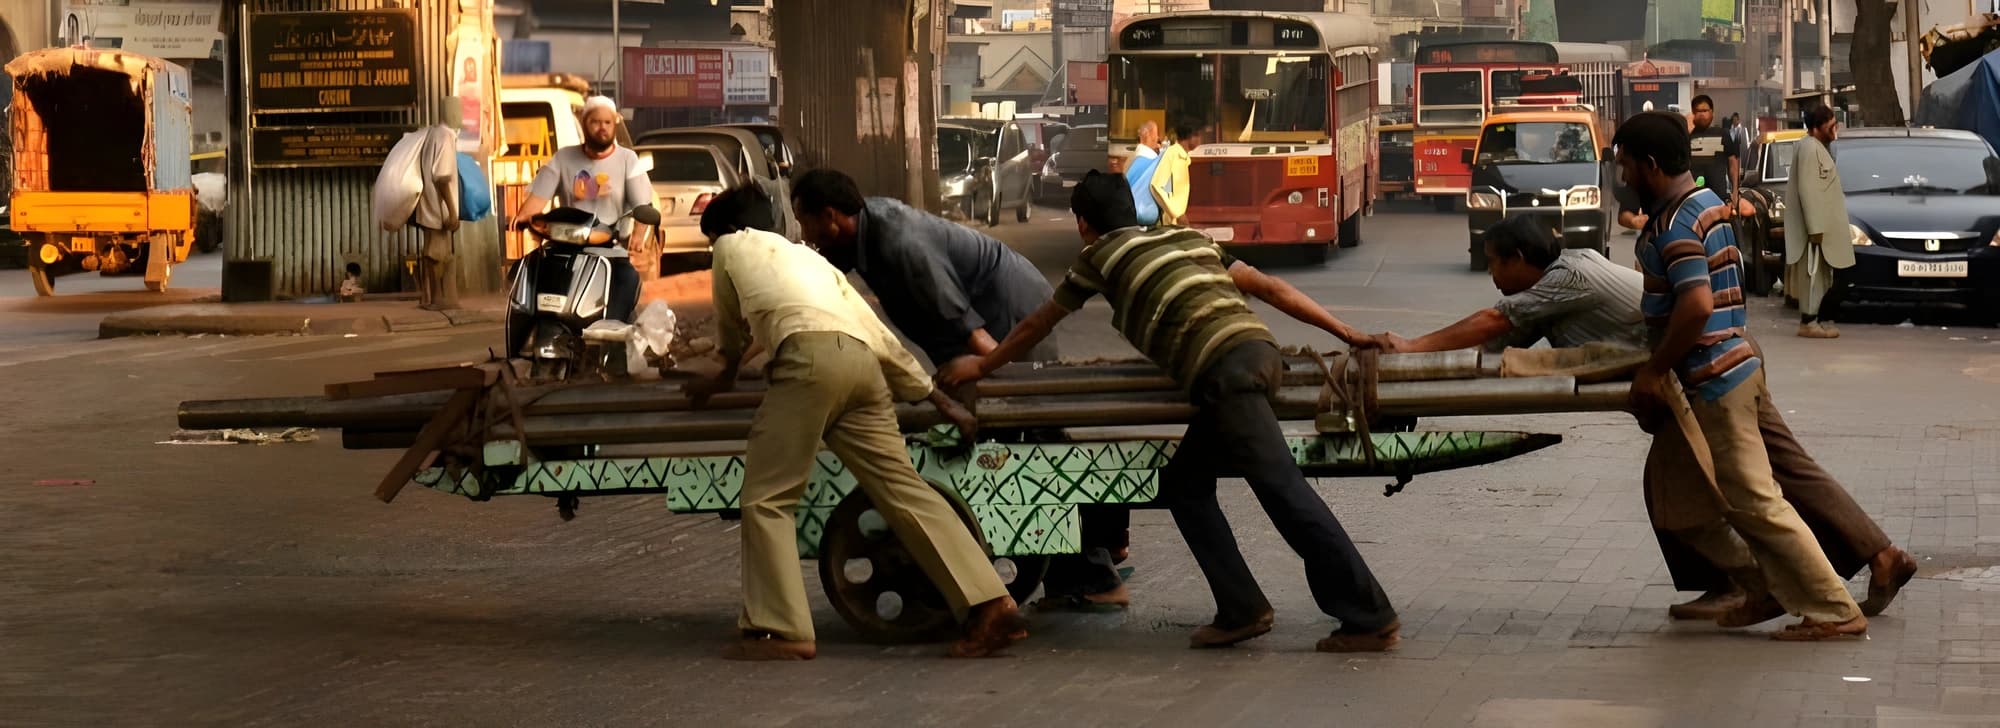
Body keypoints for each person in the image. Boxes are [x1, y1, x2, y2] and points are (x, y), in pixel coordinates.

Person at [940, 172, 1400, 653]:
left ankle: (1368, 615)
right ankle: (1241, 608)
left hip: (1226, 375)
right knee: (1184, 485)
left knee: (1284, 490)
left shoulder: (1098, 256)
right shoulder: (1186, 238)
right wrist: (1347, 333)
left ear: (1082, 224)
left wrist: (983, 364)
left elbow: (1038, 323)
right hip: (1257, 356)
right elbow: (1270, 288)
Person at [1376, 215, 1917, 620]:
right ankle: (1879, 553)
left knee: (1692, 497)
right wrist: (1414, 386)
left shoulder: (1568, 279)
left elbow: (1492, 322)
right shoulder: (1559, 282)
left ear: (1520, 257)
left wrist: (1410, 348)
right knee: (1787, 468)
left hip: (1704, 374)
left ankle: (1764, 585)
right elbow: (1497, 348)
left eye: (1496, 261)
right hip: (1729, 357)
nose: (1492, 273)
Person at [687, 183, 1029, 661]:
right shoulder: (809, 260)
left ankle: (780, 630)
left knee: (767, 499)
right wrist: (935, 398)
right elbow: (877, 334)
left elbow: (729, 337)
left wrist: (714, 379)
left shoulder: (728, 246)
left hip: (808, 365)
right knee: (903, 489)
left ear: (721, 230)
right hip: (864, 371)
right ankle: (989, 602)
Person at [790, 168, 1132, 608]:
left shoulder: (898, 244)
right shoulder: (870, 233)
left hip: (1007, 319)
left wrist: (992, 374)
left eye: (805, 221)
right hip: (994, 318)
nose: (806, 235)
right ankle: (1102, 540)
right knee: (1027, 437)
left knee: (1023, 438)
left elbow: (971, 329)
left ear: (832, 216)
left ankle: (1093, 573)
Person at [1615, 111, 1866, 640]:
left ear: (1650, 166)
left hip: (1716, 381)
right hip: (1732, 367)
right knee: (1674, 497)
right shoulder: (1708, 203)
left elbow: (1696, 306)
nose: (1621, 175)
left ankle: (1833, 608)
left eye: (1625, 164)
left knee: (1755, 500)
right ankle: (1760, 586)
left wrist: (1654, 368)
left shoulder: (1676, 224)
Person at [511, 96, 646, 325]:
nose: (601, 128)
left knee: (627, 280)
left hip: (610, 250)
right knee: (526, 275)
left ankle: (613, 341)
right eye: (595, 122)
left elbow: (642, 205)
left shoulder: (627, 159)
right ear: (584, 124)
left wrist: (638, 236)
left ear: (614, 125)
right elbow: (538, 198)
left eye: (607, 122)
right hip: (566, 246)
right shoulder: (563, 158)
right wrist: (524, 217)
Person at [1785, 104, 1852, 339]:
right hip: (1815, 231)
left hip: (1823, 229)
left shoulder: (1819, 147)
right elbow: (1808, 190)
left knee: (1821, 277)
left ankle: (1816, 319)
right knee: (1812, 276)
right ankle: (1809, 321)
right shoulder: (1809, 148)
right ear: (1816, 128)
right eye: (1830, 125)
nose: (1835, 129)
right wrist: (1815, 228)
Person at [1686, 95, 1742, 216]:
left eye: (1705, 111)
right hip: (1693, 199)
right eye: (1698, 111)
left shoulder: (1723, 134)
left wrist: (1735, 192)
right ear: (1693, 113)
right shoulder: (1686, 137)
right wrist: (1686, 130)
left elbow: (1733, 164)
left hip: (1718, 198)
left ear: (1712, 113)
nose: (1701, 114)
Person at [1150, 123, 1197, 227]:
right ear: (1189, 137)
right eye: (1197, 135)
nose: (1200, 140)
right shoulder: (1173, 154)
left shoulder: (1184, 157)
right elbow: (1156, 186)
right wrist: (1177, 214)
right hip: (1171, 225)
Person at [1126, 121, 1164, 227]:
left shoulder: (1131, 159)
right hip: (1146, 218)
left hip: (1129, 215)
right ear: (1148, 134)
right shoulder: (1154, 161)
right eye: (1156, 134)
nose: (1157, 138)